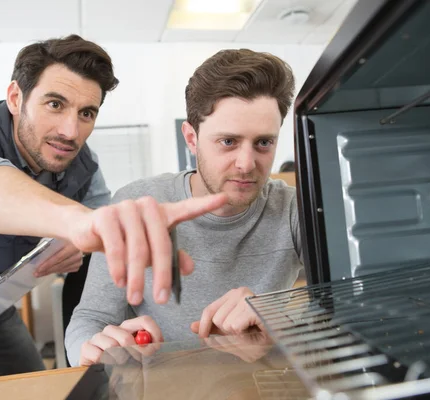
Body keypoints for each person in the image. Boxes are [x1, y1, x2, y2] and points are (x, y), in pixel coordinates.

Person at [0, 34, 227, 390]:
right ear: (15, 98)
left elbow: (99, 220)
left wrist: (78, 244)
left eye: (86, 113)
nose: (71, 131)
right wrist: (75, 222)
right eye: (55, 104)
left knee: (45, 389)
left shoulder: (82, 166)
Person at [66, 48, 302, 367]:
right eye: (228, 142)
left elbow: (355, 302)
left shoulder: (294, 210)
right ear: (191, 138)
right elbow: (89, 320)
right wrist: (93, 348)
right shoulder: (134, 203)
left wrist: (278, 318)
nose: (247, 164)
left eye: (263, 143)